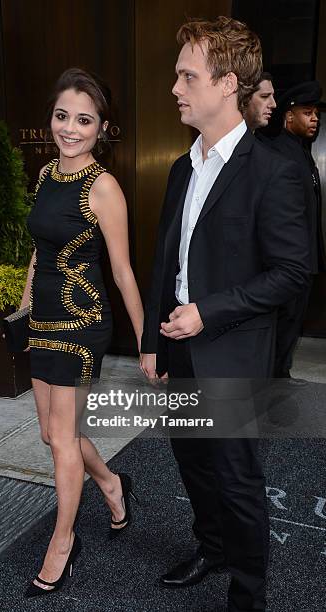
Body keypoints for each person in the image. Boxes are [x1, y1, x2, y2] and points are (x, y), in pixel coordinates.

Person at [140, 16, 310, 612]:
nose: (176, 87)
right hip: (178, 344)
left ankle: (248, 594)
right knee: (190, 459)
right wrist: (152, 341)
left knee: (237, 479)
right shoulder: (182, 167)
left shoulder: (275, 171)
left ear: (226, 83)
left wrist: (206, 314)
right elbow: (167, 259)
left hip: (232, 347)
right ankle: (211, 549)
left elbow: (293, 273)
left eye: (187, 75)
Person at [20, 68, 143, 597]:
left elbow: (123, 271)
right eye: (62, 115)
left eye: (83, 120)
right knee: (53, 434)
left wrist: (148, 341)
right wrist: (25, 301)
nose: (70, 128)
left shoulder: (104, 187)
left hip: (80, 323)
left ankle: (62, 544)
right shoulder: (48, 173)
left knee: (62, 442)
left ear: (102, 128)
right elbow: (39, 248)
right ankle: (113, 485)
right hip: (43, 319)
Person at [268, 81, 326, 383]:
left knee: (293, 324)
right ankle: (272, 383)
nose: (314, 118)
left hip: (304, 260)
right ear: (289, 117)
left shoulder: (302, 153)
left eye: (316, 113)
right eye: (307, 112)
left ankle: (282, 376)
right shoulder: (277, 152)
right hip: (288, 262)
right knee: (282, 324)